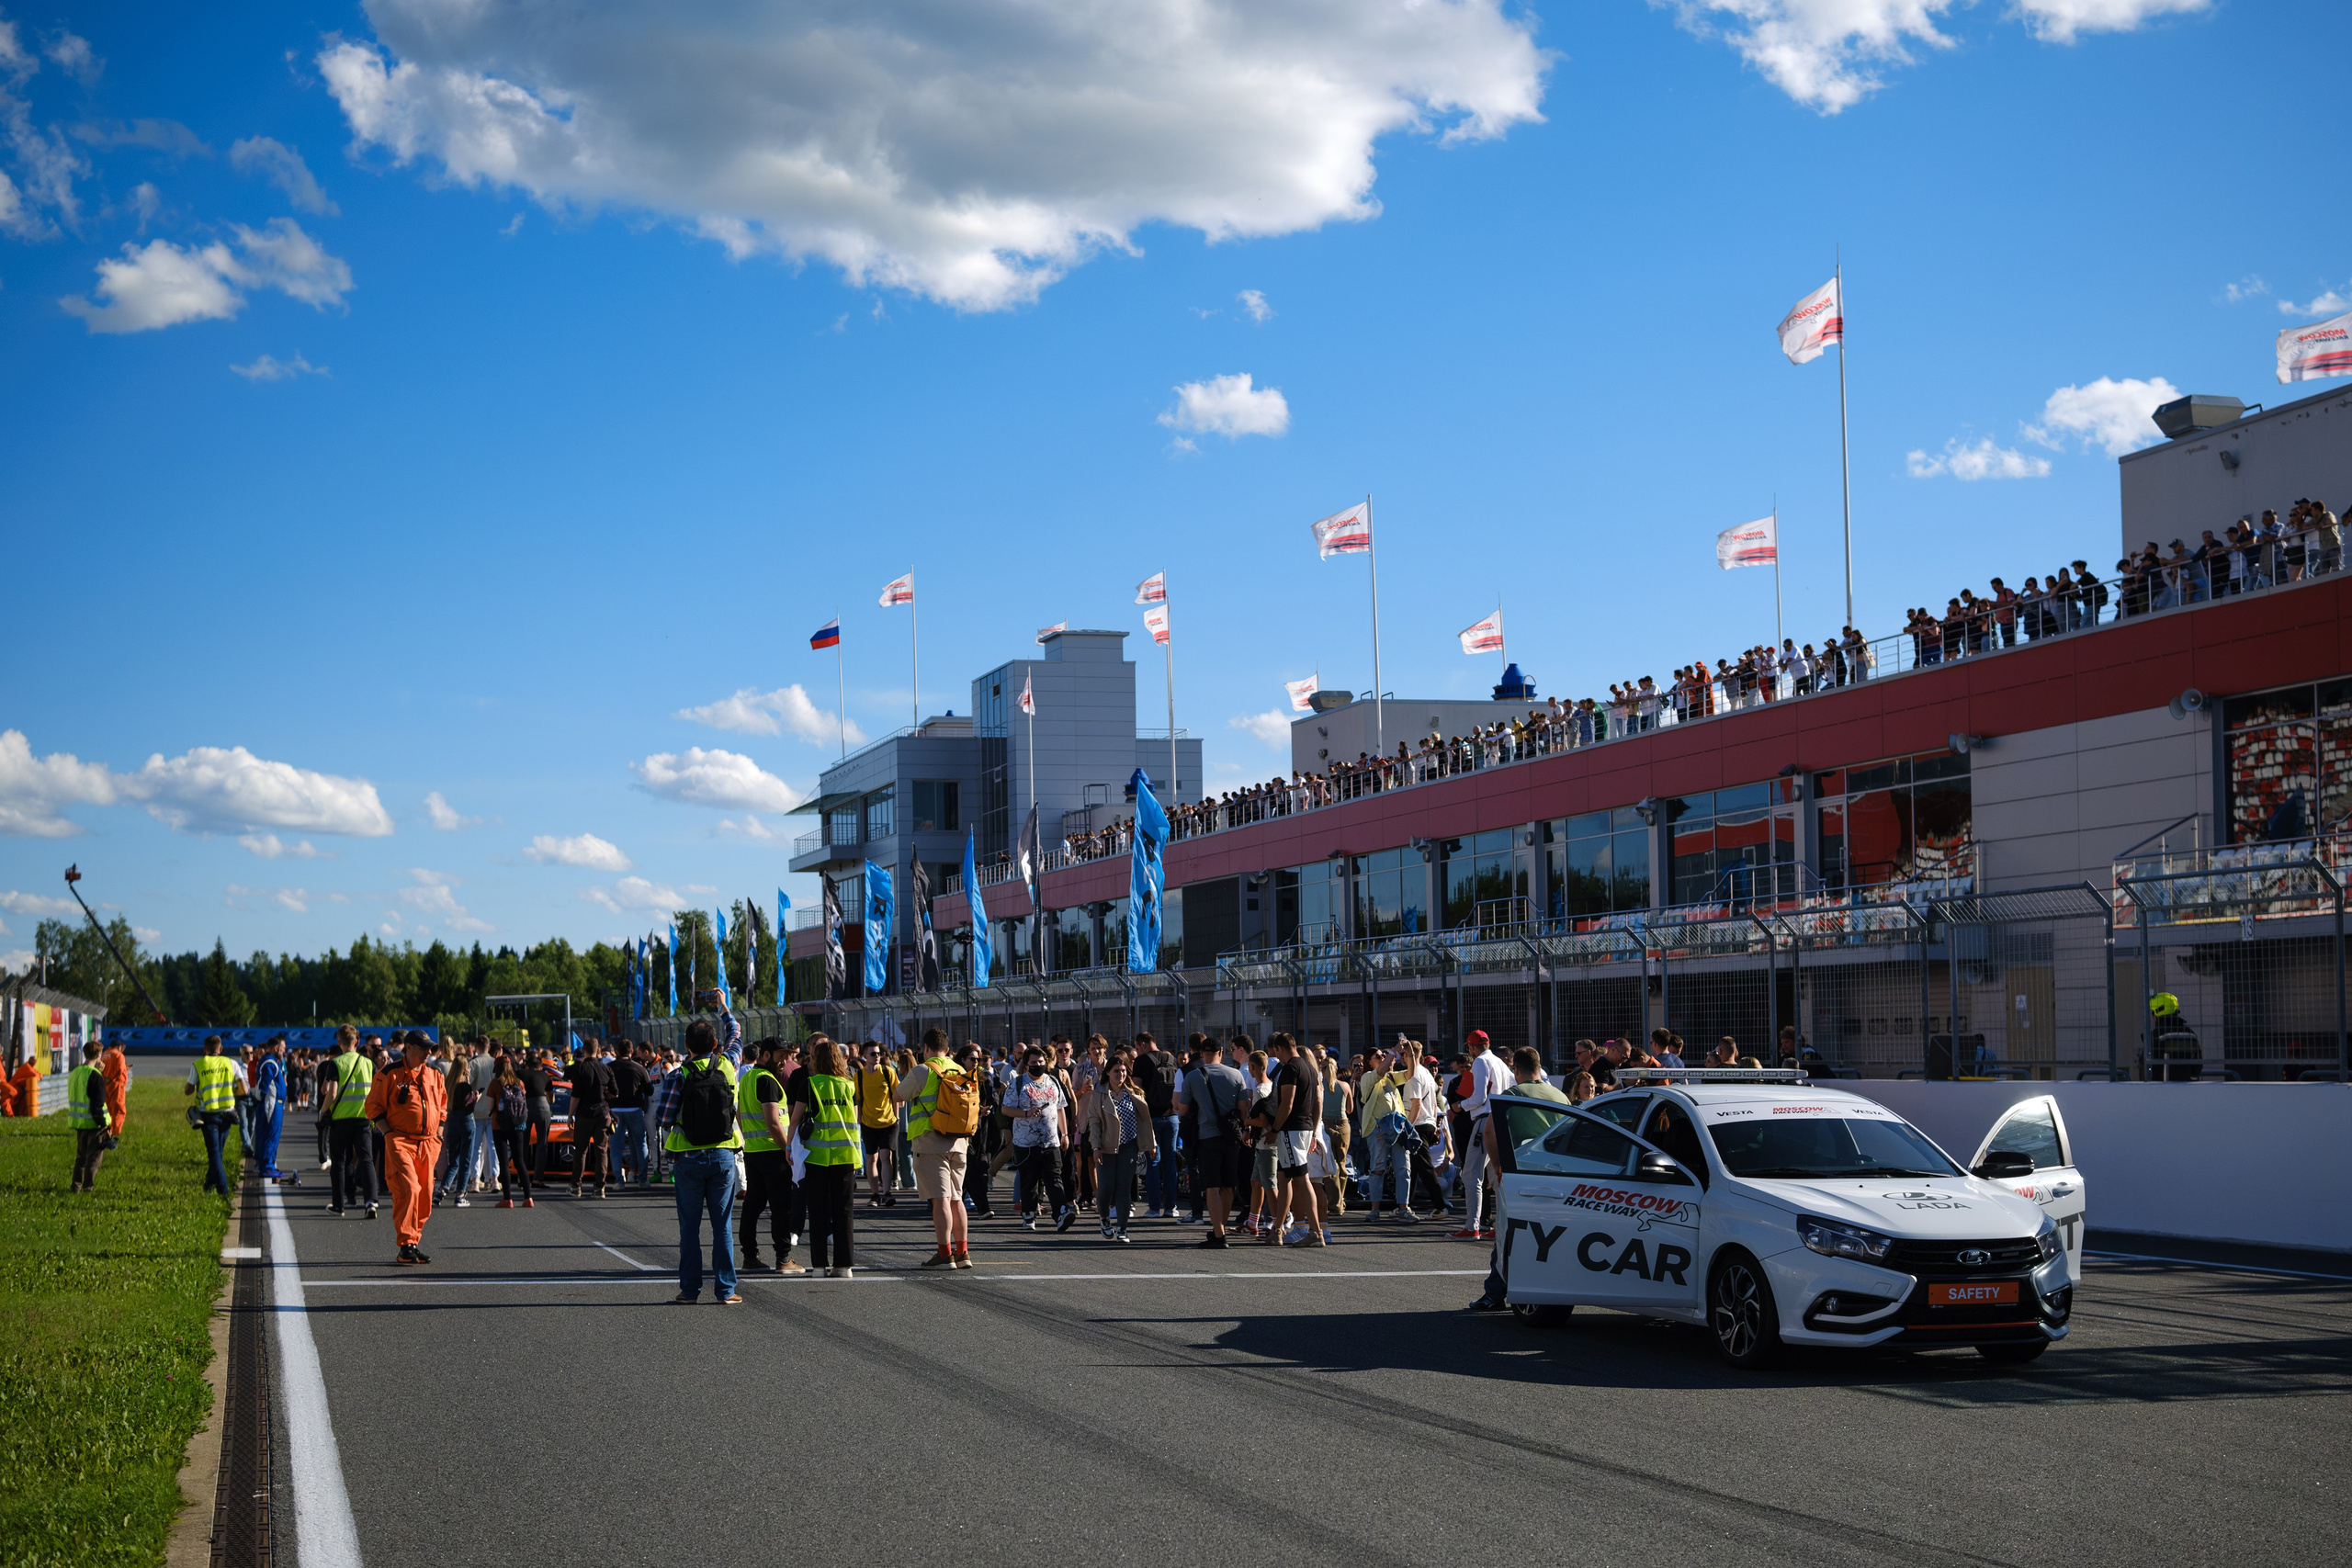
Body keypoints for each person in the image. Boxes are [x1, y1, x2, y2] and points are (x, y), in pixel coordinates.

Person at [656, 1010, 747, 1303]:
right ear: (715, 1043)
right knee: (722, 1226)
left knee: (689, 1228)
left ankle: (690, 1290)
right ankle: (726, 1290)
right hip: (723, 1154)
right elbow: (737, 1038)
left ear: (687, 1045)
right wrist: (725, 1011)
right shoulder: (729, 1064)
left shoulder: (678, 1075)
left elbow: (665, 1117)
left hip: (688, 1158)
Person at [897, 1030, 979, 1269]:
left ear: (926, 1048)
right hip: (959, 1141)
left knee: (940, 1200)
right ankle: (963, 1252)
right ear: (947, 1047)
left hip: (930, 1141)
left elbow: (898, 1095)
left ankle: (945, 1253)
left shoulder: (923, 1070)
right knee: (957, 1199)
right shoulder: (962, 1070)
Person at [363, 1032, 447, 1265]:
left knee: (425, 1195)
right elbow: (373, 1107)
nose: (429, 1052)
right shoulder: (389, 1074)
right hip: (400, 1140)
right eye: (424, 1048)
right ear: (408, 1048)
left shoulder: (434, 1075)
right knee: (409, 1188)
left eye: (430, 1048)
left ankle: (412, 1242)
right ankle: (406, 1243)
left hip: (429, 1143)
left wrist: (438, 1134)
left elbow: (442, 1106)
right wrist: (388, 1133)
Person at [795, 1037, 861, 1278]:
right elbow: (854, 1121)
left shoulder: (811, 1084)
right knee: (844, 1211)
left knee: (818, 1211)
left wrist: (790, 1150)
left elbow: (795, 1120)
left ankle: (819, 1266)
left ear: (817, 1060)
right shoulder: (848, 1085)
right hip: (846, 1154)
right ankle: (844, 1266)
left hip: (817, 1156)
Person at [736, 1039, 804, 1274]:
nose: (784, 1061)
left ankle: (750, 1256)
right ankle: (783, 1258)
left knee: (753, 1205)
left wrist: (750, 1139)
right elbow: (774, 1122)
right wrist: (788, 1150)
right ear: (765, 1055)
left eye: (787, 1056)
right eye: (780, 1056)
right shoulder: (766, 1080)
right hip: (773, 1153)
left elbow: (739, 1114)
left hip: (754, 1151)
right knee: (781, 1207)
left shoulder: (746, 1078)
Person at [1174, 1037, 1250, 1247]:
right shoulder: (1235, 1075)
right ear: (1221, 1051)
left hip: (1207, 1138)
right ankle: (1220, 1229)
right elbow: (1244, 1108)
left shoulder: (1192, 1077)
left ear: (1201, 1054)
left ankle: (1219, 1234)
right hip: (1231, 1138)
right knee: (1228, 1186)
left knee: (1212, 1187)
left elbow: (1183, 1109)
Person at [1250, 1034, 1323, 1247]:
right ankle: (1278, 1229)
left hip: (1292, 1130)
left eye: (1275, 1051)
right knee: (1284, 1179)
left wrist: (1274, 1129)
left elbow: (1287, 1104)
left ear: (1280, 1049)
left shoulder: (1291, 1068)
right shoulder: (1308, 1067)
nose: (1275, 1057)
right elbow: (1315, 1102)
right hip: (1302, 1128)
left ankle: (1316, 1232)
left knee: (1301, 1179)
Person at [1084, 1055, 1154, 1243]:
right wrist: (1096, 1146)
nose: (1120, 1074)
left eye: (1123, 1071)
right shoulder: (1099, 1094)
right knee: (1106, 1188)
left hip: (1129, 1147)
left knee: (1124, 1189)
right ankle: (1105, 1219)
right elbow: (1094, 1122)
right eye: (1116, 1071)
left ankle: (1122, 1228)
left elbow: (1145, 1121)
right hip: (1106, 1147)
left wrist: (1150, 1144)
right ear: (1108, 1072)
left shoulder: (1134, 1092)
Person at [1006, 1044, 1074, 1233]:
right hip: (1025, 1142)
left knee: (1054, 1178)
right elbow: (1005, 1109)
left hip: (1051, 1140)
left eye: (1041, 1062)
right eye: (1034, 1062)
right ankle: (1028, 1214)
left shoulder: (1053, 1081)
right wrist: (1025, 1113)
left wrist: (1065, 1134)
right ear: (1026, 1065)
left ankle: (1061, 1213)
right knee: (1029, 1180)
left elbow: (1060, 1108)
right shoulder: (1018, 1083)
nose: (1038, 1065)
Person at [1453, 1030, 1511, 1242]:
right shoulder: (1501, 1063)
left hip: (1485, 1120)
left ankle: (1472, 1227)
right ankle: (1500, 1225)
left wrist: (1460, 1105)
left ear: (1471, 1047)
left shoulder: (1479, 1062)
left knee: (1470, 1174)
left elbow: (1478, 1097)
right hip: (1500, 1120)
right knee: (1496, 1177)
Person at [185, 1034, 248, 1197]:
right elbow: (244, 1090)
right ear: (221, 1049)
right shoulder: (231, 1063)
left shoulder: (198, 1065)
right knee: (218, 1152)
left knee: (214, 1154)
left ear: (205, 1050)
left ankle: (223, 1191)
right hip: (228, 1115)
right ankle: (208, 1184)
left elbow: (187, 1090)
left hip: (208, 1116)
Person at [1130, 1031, 1181, 1220]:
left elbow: (1137, 1088)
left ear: (1142, 1044)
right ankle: (1171, 1207)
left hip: (1151, 1118)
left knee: (1153, 1162)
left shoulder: (1142, 1061)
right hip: (1172, 1117)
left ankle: (1153, 1208)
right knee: (1170, 1162)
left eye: (1137, 1047)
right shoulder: (1171, 1058)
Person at [854, 1042, 900, 1208]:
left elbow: (897, 1096)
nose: (877, 1056)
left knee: (885, 1156)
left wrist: (897, 1117)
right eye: (873, 1054)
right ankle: (874, 1194)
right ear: (865, 1056)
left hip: (889, 1122)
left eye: (879, 1053)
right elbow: (858, 1100)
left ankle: (887, 1192)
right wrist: (858, 1121)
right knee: (871, 1158)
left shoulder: (889, 1072)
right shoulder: (859, 1076)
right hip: (868, 1122)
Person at [567, 1041, 616, 1198]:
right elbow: (615, 1093)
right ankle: (599, 1188)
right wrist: (603, 1096)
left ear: (584, 1051)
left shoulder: (579, 1068)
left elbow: (575, 1095)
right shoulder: (606, 1068)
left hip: (584, 1113)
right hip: (602, 1113)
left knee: (580, 1151)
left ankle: (576, 1186)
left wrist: (569, 1115)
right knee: (601, 1150)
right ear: (598, 1050)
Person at [488, 1055, 535, 1207]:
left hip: (499, 1126)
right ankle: (528, 1198)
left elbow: (490, 1108)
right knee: (519, 1161)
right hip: (518, 1126)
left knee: (503, 1162)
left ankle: (507, 1199)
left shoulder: (495, 1084)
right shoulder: (519, 1083)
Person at [68, 1039, 112, 1192]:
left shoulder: (75, 1072)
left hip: (79, 1123)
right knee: (93, 1159)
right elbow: (96, 1103)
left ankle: (76, 1185)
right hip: (94, 1124)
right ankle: (88, 1186)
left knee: (80, 1158)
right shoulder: (95, 1076)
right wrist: (103, 1124)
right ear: (99, 1054)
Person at [609, 1043, 651, 1188]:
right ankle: (643, 1179)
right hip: (634, 1109)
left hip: (615, 1110)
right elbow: (650, 1089)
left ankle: (619, 1181)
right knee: (641, 1143)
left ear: (616, 1052)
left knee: (615, 1146)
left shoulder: (609, 1067)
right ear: (631, 1051)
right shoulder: (639, 1068)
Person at [251, 1035, 289, 1181]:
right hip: (271, 1104)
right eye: (283, 1048)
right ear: (276, 1048)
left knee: (271, 1134)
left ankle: (268, 1165)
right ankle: (267, 1166)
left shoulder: (274, 1062)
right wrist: (260, 1100)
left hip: (274, 1103)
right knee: (270, 1135)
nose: (284, 1051)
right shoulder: (269, 1062)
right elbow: (262, 1085)